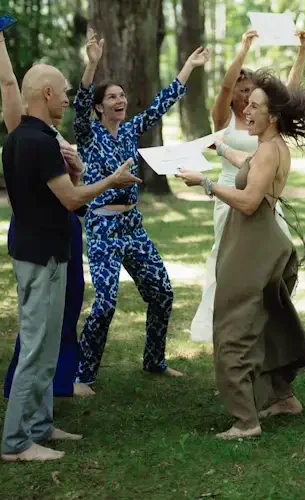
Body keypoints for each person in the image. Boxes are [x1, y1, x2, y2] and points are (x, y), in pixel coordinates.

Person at [176, 69, 305, 439]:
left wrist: (205, 183)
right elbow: (247, 167)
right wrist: (220, 149)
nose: (246, 109)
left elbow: (249, 202)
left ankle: (245, 421)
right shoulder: (267, 147)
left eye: (254, 105)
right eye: (246, 103)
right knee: (268, 326)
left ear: (273, 116)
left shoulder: (270, 151)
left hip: (254, 245)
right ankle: (284, 398)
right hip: (262, 242)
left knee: (233, 328)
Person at [0, 59, 141, 461]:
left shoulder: (30, 137)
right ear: (46, 94)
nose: (67, 97)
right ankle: (15, 442)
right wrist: (111, 180)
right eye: (62, 90)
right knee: (35, 347)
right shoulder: (38, 142)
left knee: (47, 345)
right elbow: (72, 201)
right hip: (40, 256)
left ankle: (41, 426)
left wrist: (77, 176)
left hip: (47, 252)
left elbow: (63, 199)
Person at [72, 30, 211, 395]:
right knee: (104, 304)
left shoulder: (131, 130)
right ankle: (84, 376)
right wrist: (92, 65)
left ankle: (154, 360)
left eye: (122, 95)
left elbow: (159, 106)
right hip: (102, 227)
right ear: (100, 106)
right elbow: (80, 100)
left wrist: (188, 67)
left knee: (162, 293)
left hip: (132, 225)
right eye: (112, 97)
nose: (120, 100)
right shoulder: (87, 134)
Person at [0, 11, 85, 398]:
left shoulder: (51, 130)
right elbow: (8, 82)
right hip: (37, 227)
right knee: (40, 317)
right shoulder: (22, 129)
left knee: (68, 305)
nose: (65, 97)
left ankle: (59, 384)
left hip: (66, 223)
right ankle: (22, 387)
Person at [190, 29, 305, 342]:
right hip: (231, 192)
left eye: (250, 90)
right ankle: (223, 321)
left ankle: (273, 319)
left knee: (275, 258)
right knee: (227, 256)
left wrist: (302, 51)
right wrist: (243, 49)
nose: (245, 95)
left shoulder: (267, 120)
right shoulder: (223, 119)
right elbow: (225, 85)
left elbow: (290, 94)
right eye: (241, 90)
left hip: (265, 193)